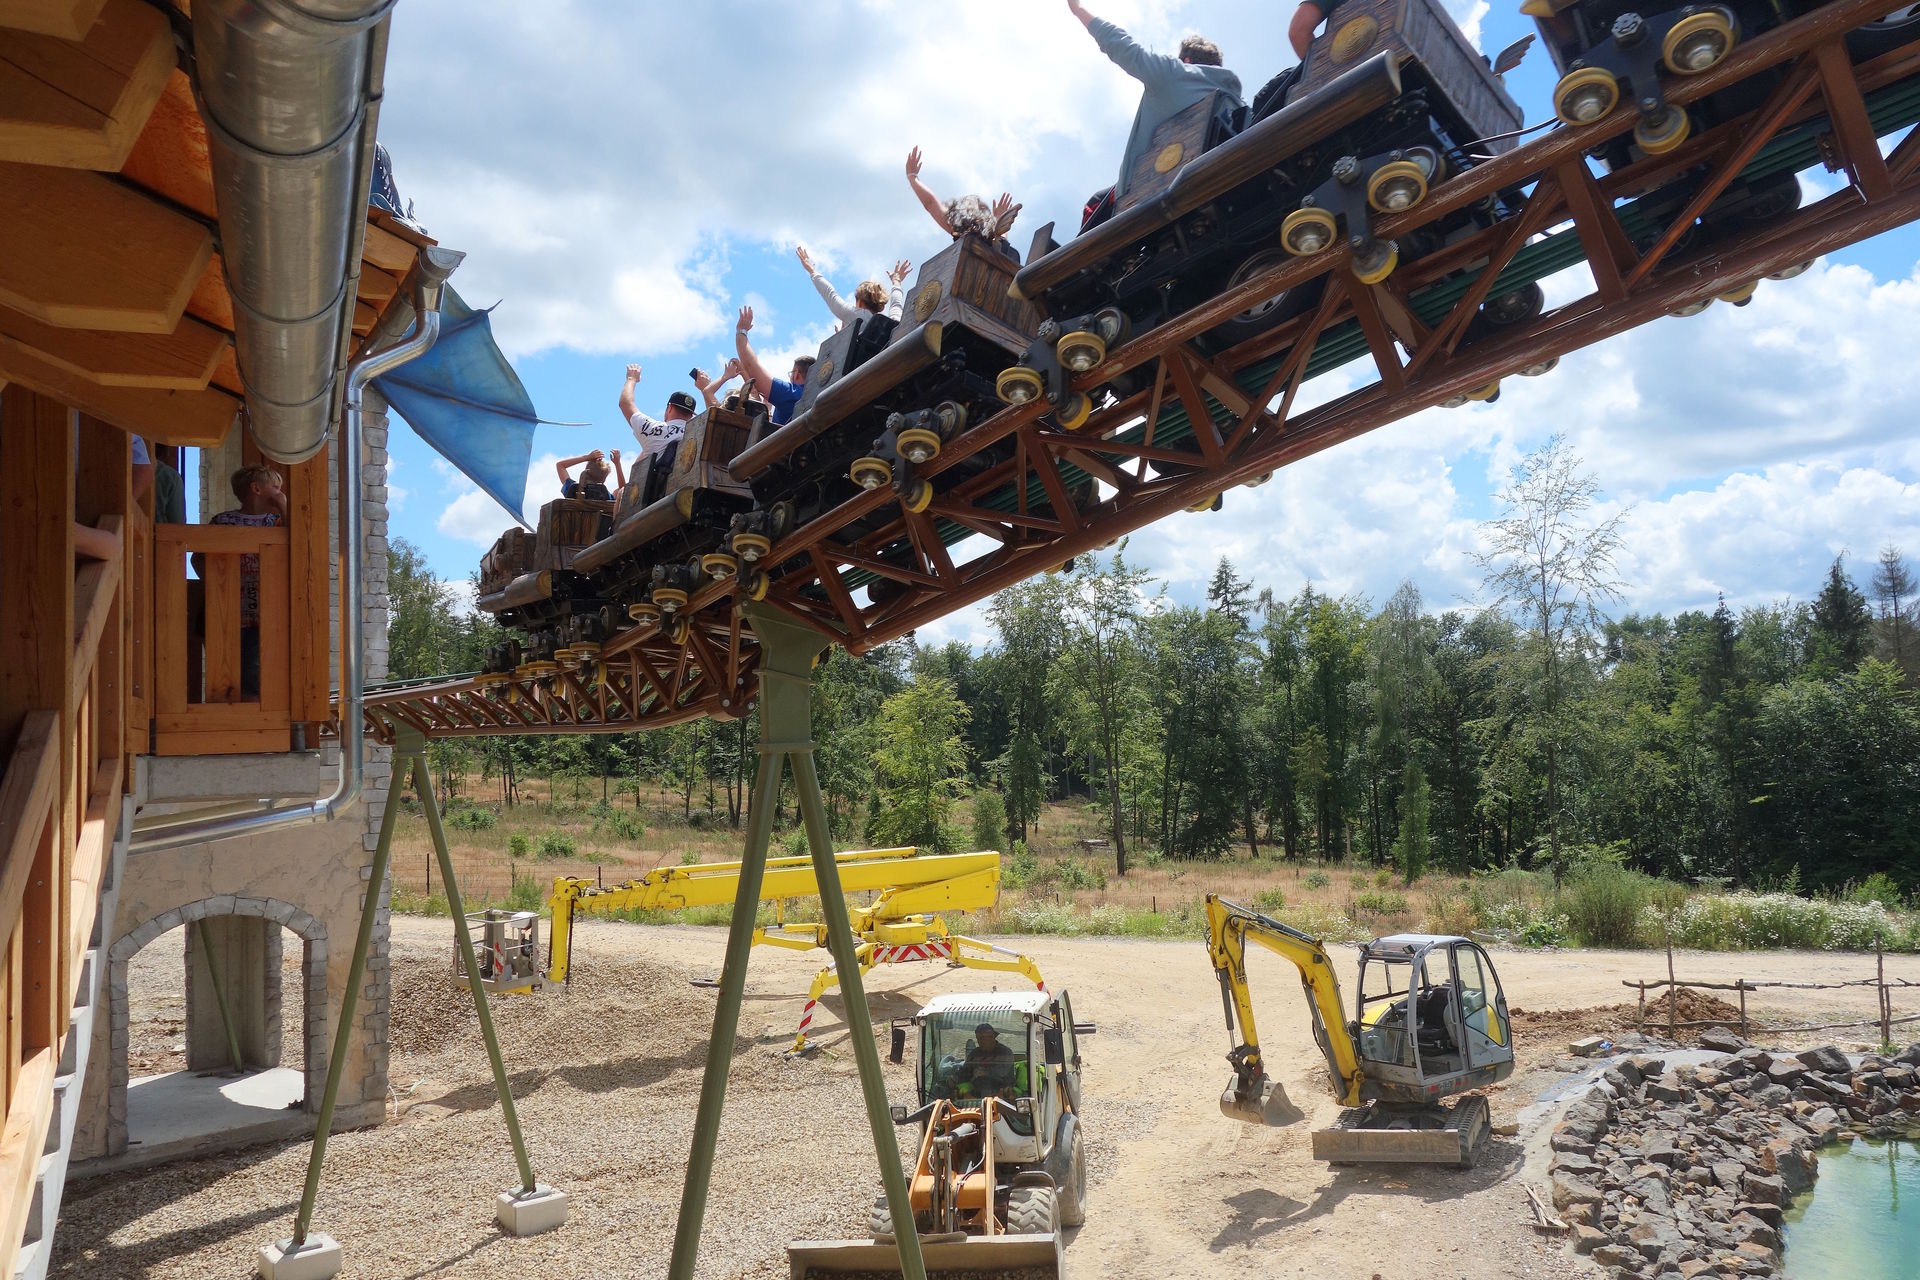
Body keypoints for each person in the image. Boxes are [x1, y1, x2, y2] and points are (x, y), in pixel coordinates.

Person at [1065, 0, 1243, 228]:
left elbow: (1123, 47)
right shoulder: (1235, 102)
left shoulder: (1175, 73)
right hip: (1216, 185)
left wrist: (1078, 10)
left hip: (1149, 199)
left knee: (1097, 201)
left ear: (1187, 61)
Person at [210, 464, 288, 699]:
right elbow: (201, 559)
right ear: (256, 489)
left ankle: (255, 706)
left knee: (257, 669)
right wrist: (215, 589)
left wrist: (284, 507)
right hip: (230, 608)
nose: (280, 492)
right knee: (232, 667)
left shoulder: (276, 521)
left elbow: (296, 540)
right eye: (276, 487)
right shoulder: (224, 521)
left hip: (265, 611)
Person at [904, 147, 1023, 246]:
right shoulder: (996, 242)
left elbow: (930, 203)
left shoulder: (964, 236)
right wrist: (998, 219)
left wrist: (912, 177)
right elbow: (1001, 237)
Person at [733, 306, 816, 427]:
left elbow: (751, 366)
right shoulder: (820, 395)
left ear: (796, 374)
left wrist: (741, 331)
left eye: (791, 373)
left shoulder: (792, 394)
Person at [795, 246, 909, 326]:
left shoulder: (856, 316)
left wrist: (812, 270)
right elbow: (896, 306)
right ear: (882, 307)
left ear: (860, 303)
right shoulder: (891, 325)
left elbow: (830, 294)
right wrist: (896, 281)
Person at [618, 363, 699, 466]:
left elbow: (625, 403)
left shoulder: (653, 429)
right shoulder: (698, 434)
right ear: (691, 415)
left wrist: (631, 379)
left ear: (669, 408)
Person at [963, 1023, 1017, 1099]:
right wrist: (954, 1078)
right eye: (978, 1038)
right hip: (977, 1092)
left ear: (992, 1037)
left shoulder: (1005, 1052)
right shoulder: (974, 1053)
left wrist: (984, 1072)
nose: (980, 1041)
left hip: (1001, 1090)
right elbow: (965, 1071)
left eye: (982, 1038)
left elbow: (1002, 1072)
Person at [555, 449, 620, 501]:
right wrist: (617, 463)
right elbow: (622, 490)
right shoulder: (605, 494)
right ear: (603, 480)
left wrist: (587, 457)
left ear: (586, 472)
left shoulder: (573, 488)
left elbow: (560, 465)